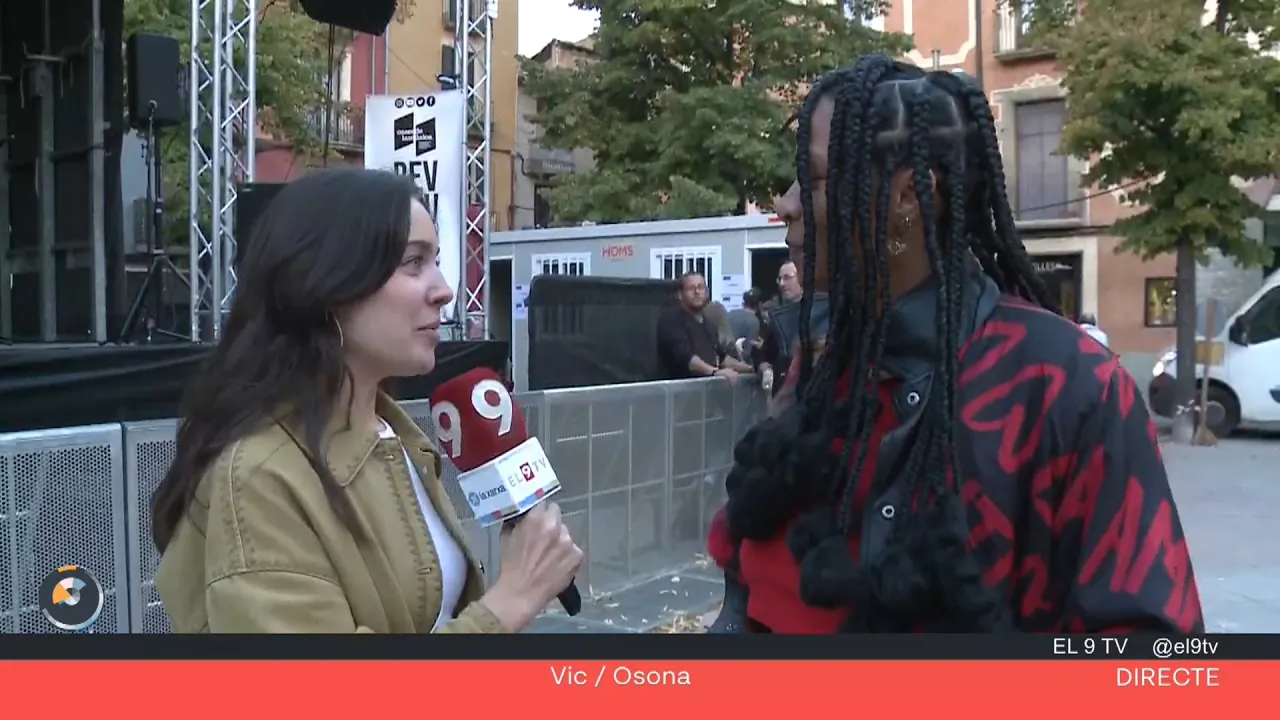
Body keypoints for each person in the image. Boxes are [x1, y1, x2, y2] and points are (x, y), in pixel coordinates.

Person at [707, 55, 1202, 634]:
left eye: (812, 180)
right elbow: (746, 580)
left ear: (910, 198)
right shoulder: (820, 360)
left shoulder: (1068, 387)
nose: (786, 205)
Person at [150, 169, 583, 633]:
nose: (444, 290)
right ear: (329, 284)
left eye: (435, 260)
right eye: (413, 263)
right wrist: (508, 604)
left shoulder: (397, 437)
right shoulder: (261, 477)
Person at [656, 272, 753, 382]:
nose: (697, 292)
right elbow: (686, 357)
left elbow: (722, 358)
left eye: (700, 287)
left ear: (706, 292)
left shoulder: (709, 324)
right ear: (680, 294)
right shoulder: (671, 320)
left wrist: (751, 369)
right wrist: (713, 372)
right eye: (691, 288)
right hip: (678, 393)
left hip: (704, 394)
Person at [727, 289, 762, 362]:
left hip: (723, 360)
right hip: (738, 365)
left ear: (744, 303)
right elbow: (748, 352)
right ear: (759, 305)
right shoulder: (754, 321)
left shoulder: (730, 313)